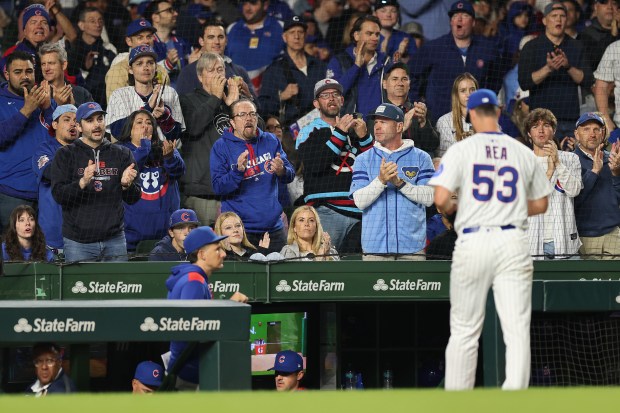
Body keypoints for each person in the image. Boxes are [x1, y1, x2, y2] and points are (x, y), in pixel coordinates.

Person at [429, 89, 551, 390]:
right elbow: (541, 204)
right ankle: (514, 401)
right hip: (512, 241)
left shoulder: (461, 149)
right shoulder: (522, 150)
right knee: (517, 328)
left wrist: (463, 207)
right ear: (497, 113)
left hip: (474, 240)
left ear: (470, 115)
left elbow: (441, 198)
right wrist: (507, 207)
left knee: (464, 330)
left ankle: (459, 402)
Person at [50, 102, 141, 262]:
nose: (97, 125)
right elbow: (59, 195)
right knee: (79, 287)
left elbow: (134, 198)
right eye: (90, 120)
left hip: (114, 240)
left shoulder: (122, 154)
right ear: (78, 126)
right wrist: (82, 182)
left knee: (118, 287)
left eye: (100, 119)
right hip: (78, 242)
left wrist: (127, 186)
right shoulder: (65, 155)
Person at [166, 226, 248, 389]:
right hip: (188, 374)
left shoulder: (195, 278)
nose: (223, 254)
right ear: (202, 254)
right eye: (217, 249)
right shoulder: (193, 281)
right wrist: (230, 307)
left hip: (188, 370)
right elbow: (190, 328)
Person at [296, 79, 372, 253]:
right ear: (316, 103)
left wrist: (365, 138)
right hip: (326, 210)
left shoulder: (356, 131)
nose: (331, 98)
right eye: (325, 95)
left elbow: (373, 170)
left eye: (335, 94)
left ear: (342, 100)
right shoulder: (309, 130)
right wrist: (340, 133)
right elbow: (315, 165)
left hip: (359, 213)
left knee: (357, 271)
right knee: (324, 267)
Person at [350, 103, 435, 260]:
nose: (377, 126)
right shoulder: (363, 159)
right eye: (376, 122)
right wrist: (381, 181)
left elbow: (430, 198)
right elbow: (359, 201)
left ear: (399, 127)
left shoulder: (422, 157)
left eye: (384, 122)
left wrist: (400, 184)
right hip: (374, 248)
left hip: (412, 248)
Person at [210, 98, 295, 253]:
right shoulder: (221, 147)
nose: (248, 118)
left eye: (252, 114)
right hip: (241, 232)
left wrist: (282, 170)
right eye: (242, 115)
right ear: (232, 123)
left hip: (273, 229)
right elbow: (218, 187)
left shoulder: (270, 140)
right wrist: (237, 171)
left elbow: (290, 174)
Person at [410, 0, 505, 124]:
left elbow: (496, 78)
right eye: (455, 16)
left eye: (465, 16)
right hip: (439, 120)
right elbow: (411, 75)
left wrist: (484, 101)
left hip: (475, 120)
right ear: (451, 22)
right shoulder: (433, 48)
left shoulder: (487, 48)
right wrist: (420, 105)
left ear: (473, 22)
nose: (459, 19)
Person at [179, 52, 241, 227]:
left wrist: (234, 106)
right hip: (202, 193)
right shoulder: (188, 100)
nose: (218, 74)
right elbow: (193, 127)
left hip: (233, 192)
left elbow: (253, 129)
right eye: (211, 70)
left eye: (220, 69)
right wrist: (215, 98)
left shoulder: (232, 99)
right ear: (200, 76)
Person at [518, 1, 592, 139]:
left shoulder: (577, 46)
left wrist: (568, 66)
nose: (559, 19)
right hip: (541, 121)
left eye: (562, 16)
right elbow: (524, 82)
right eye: (554, 15)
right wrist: (548, 68)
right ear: (544, 20)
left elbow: (587, 80)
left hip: (570, 120)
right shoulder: (531, 47)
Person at [116, 109, 185, 251]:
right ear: (130, 130)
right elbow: (128, 170)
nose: (145, 126)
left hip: (166, 235)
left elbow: (179, 172)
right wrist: (144, 147)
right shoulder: (119, 150)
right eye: (139, 123)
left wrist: (169, 158)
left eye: (149, 123)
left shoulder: (165, 148)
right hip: (131, 237)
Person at [0, 51, 55, 229]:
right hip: (11, 193)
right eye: (18, 72)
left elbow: (60, 140)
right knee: (13, 252)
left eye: (29, 71)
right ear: (6, 74)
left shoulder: (45, 101)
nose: (25, 76)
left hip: (46, 192)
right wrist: (26, 110)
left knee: (46, 252)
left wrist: (48, 109)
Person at [525, 108, 583, 260]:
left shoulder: (571, 159)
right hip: (532, 244)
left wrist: (557, 162)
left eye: (546, 125)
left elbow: (574, 190)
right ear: (529, 134)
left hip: (565, 241)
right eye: (535, 126)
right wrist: (550, 171)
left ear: (554, 130)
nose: (541, 130)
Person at [258, 15, 327, 126]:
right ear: (284, 37)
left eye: (300, 32)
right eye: (292, 32)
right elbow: (262, 106)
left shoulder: (320, 66)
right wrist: (281, 96)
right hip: (294, 133)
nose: (296, 36)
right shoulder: (274, 70)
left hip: (323, 127)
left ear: (306, 35)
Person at [107, 44, 184, 140]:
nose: (146, 67)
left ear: (156, 67)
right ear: (130, 69)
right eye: (139, 63)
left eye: (150, 63)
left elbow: (176, 135)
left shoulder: (170, 92)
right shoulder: (119, 95)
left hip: (161, 153)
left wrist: (164, 117)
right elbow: (117, 132)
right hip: (131, 153)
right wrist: (148, 108)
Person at [32, 104, 79, 254]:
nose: (72, 124)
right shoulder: (45, 149)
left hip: (83, 235)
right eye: (66, 119)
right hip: (52, 236)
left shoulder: (89, 150)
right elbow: (49, 172)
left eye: (76, 121)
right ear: (55, 124)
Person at [573, 112, 620, 259]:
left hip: (614, 234)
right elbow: (574, 199)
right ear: (577, 134)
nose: (592, 134)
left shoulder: (614, 159)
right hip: (585, 237)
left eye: (596, 129)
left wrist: (616, 174)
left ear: (603, 133)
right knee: (590, 282)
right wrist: (594, 172)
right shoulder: (569, 161)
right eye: (586, 129)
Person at [367, 61, 438, 157]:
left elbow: (432, 146)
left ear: (409, 84)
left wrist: (423, 123)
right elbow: (376, 148)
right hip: (388, 165)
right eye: (395, 79)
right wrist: (402, 128)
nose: (400, 83)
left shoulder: (421, 111)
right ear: (384, 84)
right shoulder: (376, 115)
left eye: (404, 79)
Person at [175, 18, 254, 97]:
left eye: (220, 37)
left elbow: (257, 107)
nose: (216, 42)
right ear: (201, 41)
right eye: (211, 37)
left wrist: (248, 96)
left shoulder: (240, 72)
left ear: (226, 40)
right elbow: (185, 107)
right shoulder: (188, 72)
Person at [326, 15, 387, 116]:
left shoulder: (386, 62)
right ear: (356, 35)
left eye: (377, 34)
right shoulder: (338, 61)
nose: (375, 38)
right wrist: (356, 67)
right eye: (369, 33)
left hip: (380, 125)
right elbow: (333, 95)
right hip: (350, 125)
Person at [105, 18, 170, 102]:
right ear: (129, 41)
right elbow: (114, 109)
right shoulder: (117, 72)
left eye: (149, 37)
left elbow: (168, 103)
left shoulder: (161, 71)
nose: (146, 41)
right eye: (140, 37)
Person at [225, 0, 285, 91]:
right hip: (237, 94)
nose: (247, 8)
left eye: (253, 3)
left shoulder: (280, 28)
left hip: (269, 94)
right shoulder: (231, 29)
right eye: (245, 3)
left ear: (265, 5)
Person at [67, 7, 117, 106]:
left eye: (100, 21)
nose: (97, 25)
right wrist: (86, 69)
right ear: (81, 25)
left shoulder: (109, 49)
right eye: (92, 21)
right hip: (80, 103)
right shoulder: (72, 50)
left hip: (107, 102)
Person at [145, 0, 191, 79]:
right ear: (156, 17)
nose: (175, 14)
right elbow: (144, 73)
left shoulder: (183, 42)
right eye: (169, 10)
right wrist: (167, 64)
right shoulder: (146, 44)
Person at [435, 73, 478, 158]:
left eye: (472, 90)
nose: (468, 94)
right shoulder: (444, 121)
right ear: (456, 94)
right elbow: (442, 156)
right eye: (463, 90)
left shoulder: (488, 120)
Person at [38, 42, 93, 107]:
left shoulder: (81, 94)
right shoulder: (36, 95)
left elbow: (94, 116)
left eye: (51, 63)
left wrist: (72, 106)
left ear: (64, 65)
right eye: (43, 64)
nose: (46, 68)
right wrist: (56, 105)